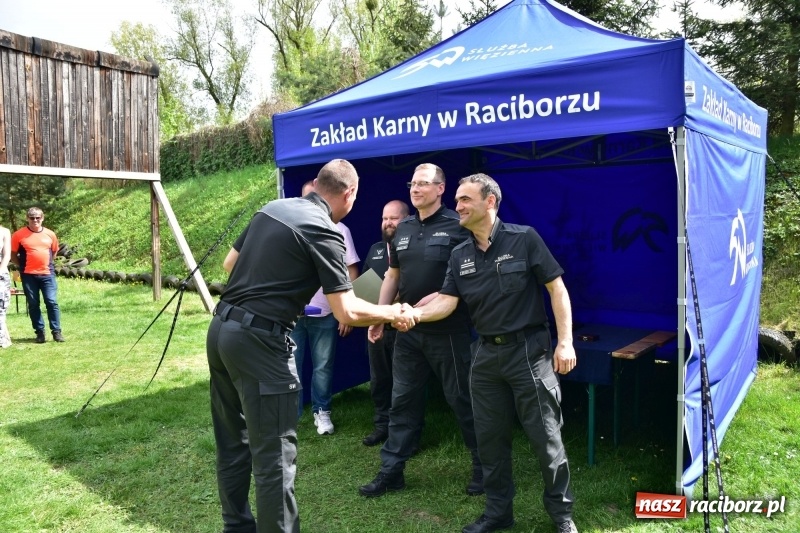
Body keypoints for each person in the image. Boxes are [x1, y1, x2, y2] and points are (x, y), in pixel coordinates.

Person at [207, 159, 415, 533]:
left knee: (233, 442)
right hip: (260, 342)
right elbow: (347, 310)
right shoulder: (325, 230)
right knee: (274, 458)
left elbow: (229, 263)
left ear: (317, 183)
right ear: (350, 193)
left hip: (222, 330)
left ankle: (236, 527)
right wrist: (391, 311)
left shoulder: (273, 208)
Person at [404, 173, 578, 533]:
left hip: (529, 353)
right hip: (485, 357)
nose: (458, 206)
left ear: (490, 202)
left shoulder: (524, 238)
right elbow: (447, 302)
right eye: (457, 199)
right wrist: (413, 315)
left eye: (465, 199)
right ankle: (498, 513)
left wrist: (565, 342)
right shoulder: (459, 254)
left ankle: (562, 515)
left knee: (546, 438)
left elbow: (556, 288)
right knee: (489, 440)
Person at [359, 163, 483, 498]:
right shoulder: (403, 228)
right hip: (407, 332)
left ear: (441, 188)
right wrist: (379, 316)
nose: (415, 189)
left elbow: (470, 275)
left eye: (423, 183)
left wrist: (442, 298)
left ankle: (484, 467)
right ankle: (391, 472)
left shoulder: (458, 225)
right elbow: (393, 276)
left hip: (448, 332)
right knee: (402, 401)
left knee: (462, 400)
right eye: (412, 183)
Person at [291, 180, 361, 435]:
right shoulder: (291, 226)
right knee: (291, 366)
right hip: (294, 313)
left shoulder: (340, 229)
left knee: (323, 366)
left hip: (327, 312)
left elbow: (352, 270)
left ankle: (322, 411)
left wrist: (346, 311)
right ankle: (290, 415)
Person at [360, 199, 409, 446]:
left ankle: (404, 430)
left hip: (403, 327)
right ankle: (382, 425)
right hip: (377, 326)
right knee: (379, 379)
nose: (388, 223)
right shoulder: (375, 250)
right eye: (384, 218)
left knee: (404, 381)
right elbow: (363, 284)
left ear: (406, 220)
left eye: (393, 218)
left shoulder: (413, 249)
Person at [10, 207, 65, 343]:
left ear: (42, 218)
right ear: (27, 218)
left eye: (38, 217)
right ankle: (40, 332)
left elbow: (54, 251)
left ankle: (56, 332)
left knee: (51, 302)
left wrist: (46, 263)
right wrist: (22, 266)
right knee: (33, 304)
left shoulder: (50, 234)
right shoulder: (18, 235)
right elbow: (13, 254)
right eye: (32, 217)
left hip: (47, 274)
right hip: (28, 275)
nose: (35, 220)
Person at [0, 223, 12, 348]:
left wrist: (1, 270)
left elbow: (7, 255)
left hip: (1, 274)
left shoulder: (4, 231)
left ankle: (2, 338)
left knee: (1, 306)